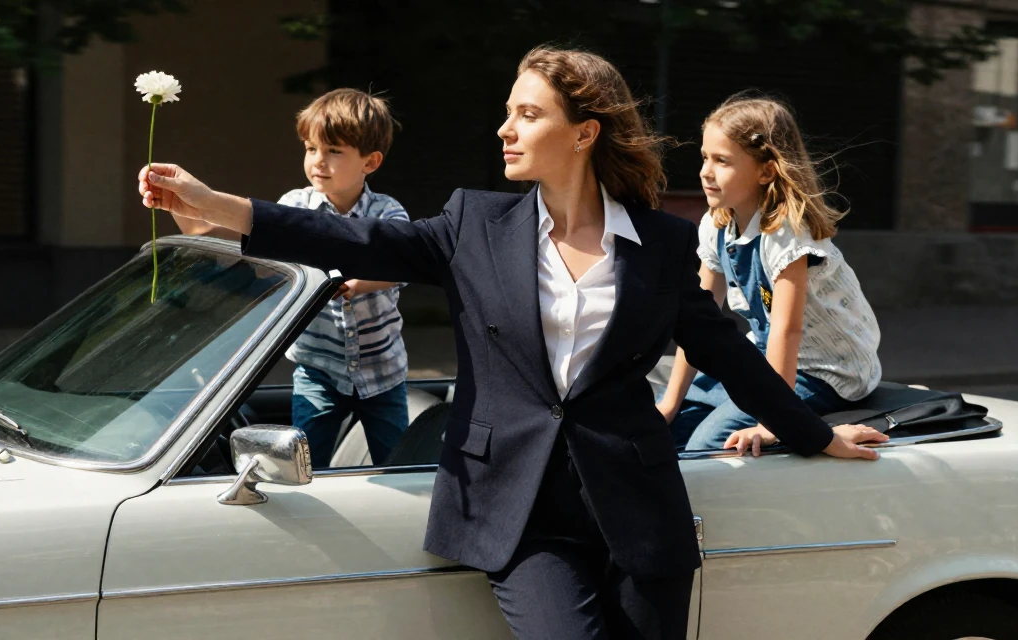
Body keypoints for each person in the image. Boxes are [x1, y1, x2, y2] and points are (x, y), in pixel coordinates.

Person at [137, 46, 887, 640]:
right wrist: (214, 205)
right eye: (508, 113)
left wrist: (813, 434)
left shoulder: (658, 243)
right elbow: (350, 238)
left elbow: (727, 351)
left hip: (638, 515)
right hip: (520, 517)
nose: (505, 129)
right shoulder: (473, 226)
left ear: (583, 133)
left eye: (527, 114)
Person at [183, 88, 412, 468]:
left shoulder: (387, 211)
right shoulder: (295, 206)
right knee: (305, 463)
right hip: (317, 368)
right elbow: (260, 243)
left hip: (382, 370)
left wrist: (357, 284)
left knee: (398, 463)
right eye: (311, 149)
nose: (318, 162)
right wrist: (191, 216)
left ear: (370, 162)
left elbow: (398, 266)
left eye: (334, 151)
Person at [657, 93, 883, 456]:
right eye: (704, 157)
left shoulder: (787, 233)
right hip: (764, 359)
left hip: (826, 371)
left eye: (722, 161)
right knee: (662, 427)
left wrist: (772, 422)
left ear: (766, 170)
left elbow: (786, 331)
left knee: (711, 444)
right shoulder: (717, 224)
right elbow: (698, 322)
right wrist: (670, 402)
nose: (705, 171)